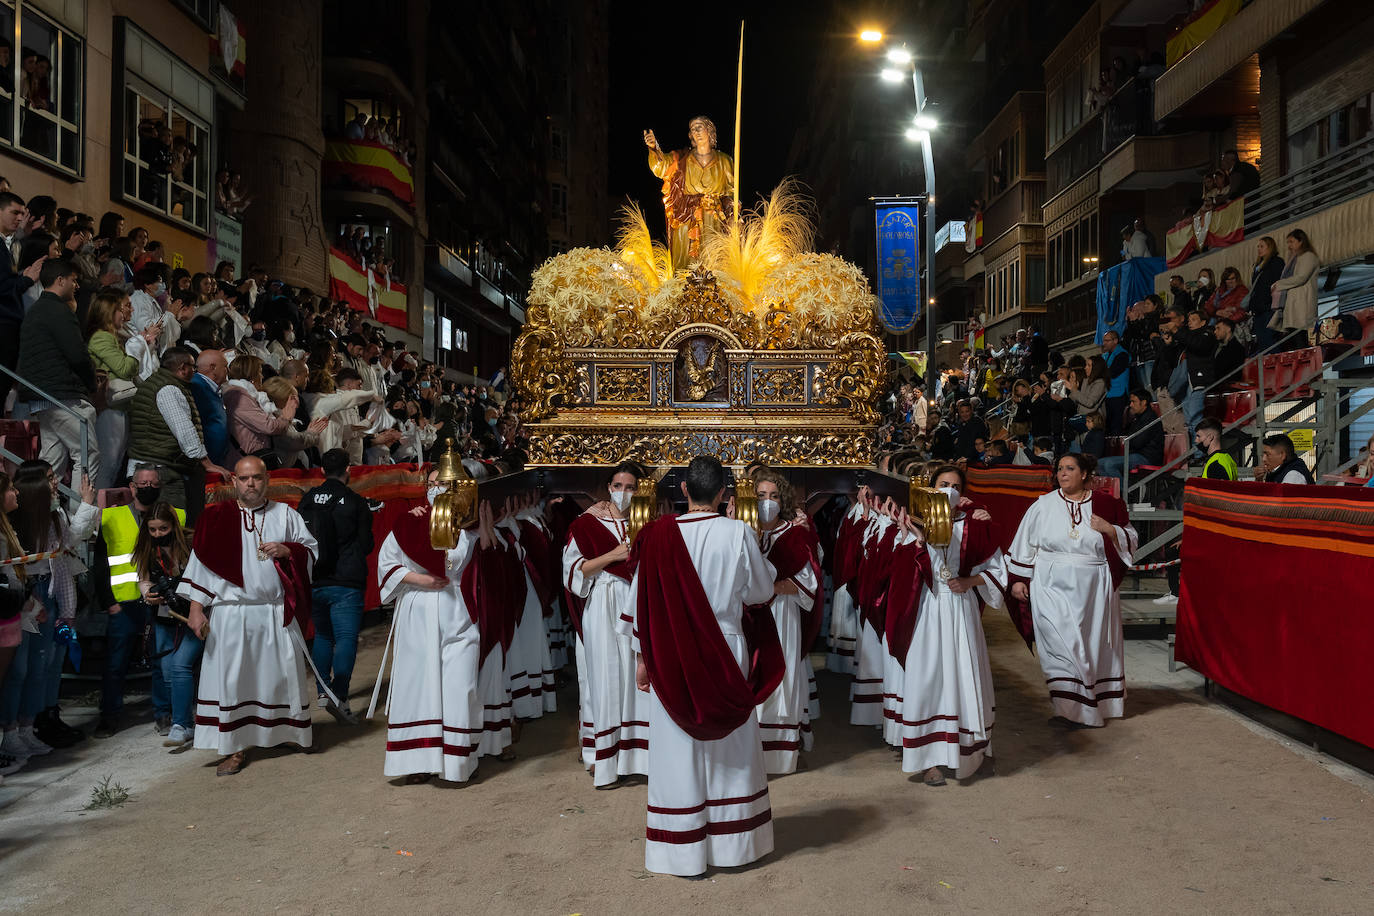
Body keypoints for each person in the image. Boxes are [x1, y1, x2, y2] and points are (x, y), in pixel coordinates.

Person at [626, 456, 780, 877]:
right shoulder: (739, 533)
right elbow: (761, 592)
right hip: (725, 647)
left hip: (671, 650)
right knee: (729, 746)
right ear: (725, 496)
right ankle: (733, 845)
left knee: (678, 747)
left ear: (683, 491)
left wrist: (642, 660)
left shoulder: (657, 535)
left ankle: (681, 851)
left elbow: (642, 602)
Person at [175, 457, 319, 776]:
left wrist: (288, 551)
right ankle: (234, 748)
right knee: (233, 682)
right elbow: (201, 568)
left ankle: (288, 732)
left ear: (267, 480)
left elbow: (311, 550)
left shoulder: (286, 514)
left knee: (281, 677)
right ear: (234, 482)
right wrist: (197, 609)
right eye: (243, 478)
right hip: (231, 613)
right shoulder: (216, 518)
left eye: (256, 478)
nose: (250, 484)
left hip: (275, 611)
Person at [369, 467, 492, 784]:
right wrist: (419, 578)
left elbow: (486, 557)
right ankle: (418, 760)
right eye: (432, 483)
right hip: (419, 605)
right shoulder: (409, 522)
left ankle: (457, 761)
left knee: (460, 683)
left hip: (458, 606)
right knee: (418, 684)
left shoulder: (469, 525)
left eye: (445, 483)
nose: (437, 488)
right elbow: (387, 565)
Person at [887, 466, 1003, 784]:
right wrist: (916, 539)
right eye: (942, 484)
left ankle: (971, 749)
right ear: (930, 489)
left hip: (960, 610)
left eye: (954, 485)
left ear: (962, 492)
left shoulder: (973, 524)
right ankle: (930, 759)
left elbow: (996, 569)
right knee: (929, 678)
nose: (948, 489)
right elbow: (897, 573)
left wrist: (970, 581)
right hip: (926, 609)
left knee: (965, 675)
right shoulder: (912, 521)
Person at [1006, 453, 1137, 727]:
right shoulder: (1043, 505)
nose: (1062, 474)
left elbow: (1131, 538)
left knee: (1088, 646)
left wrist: (1110, 529)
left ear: (1085, 474)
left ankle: (1085, 705)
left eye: (1069, 468)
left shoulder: (1106, 504)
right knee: (1058, 643)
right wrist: (1019, 579)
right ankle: (1069, 708)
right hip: (1049, 582)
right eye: (1059, 469)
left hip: (1093, 587)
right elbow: (1024, 542)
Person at [0, 463, 98, 762]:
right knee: (19, 670)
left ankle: (33, 724)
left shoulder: (54, 516)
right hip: (25, 596)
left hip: (49, 594)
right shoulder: (15, 523)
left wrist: (87, 506)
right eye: (51, 479)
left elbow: (67, 542)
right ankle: (11, 731)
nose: (56, 485)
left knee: (44, 665)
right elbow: (15, 573)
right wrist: (31, 602)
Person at [561, 462, 649, 788]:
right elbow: (574, 571)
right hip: (602, 603)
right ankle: (604, 757)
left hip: (635, 603)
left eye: (630, 487)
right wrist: (612, 556)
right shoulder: (586, 524)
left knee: (634, 677)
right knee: (605, 677)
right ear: (607, 487)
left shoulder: (645, 522)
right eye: (618, 486)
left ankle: (638, 757)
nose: (623, 493)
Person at [94, 465, 185, 737]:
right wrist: (108, 601)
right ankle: (109, 715)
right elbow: (100, 563)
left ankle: (163, 713)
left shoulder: (176, 516)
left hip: (161, 601)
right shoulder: (111, 517)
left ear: (160, 486)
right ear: (132, 487)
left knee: (161, 659)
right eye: (142, 483)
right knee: (116, 662)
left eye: (152, 483)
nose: (147, 488)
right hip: (124, 603)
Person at [750, 469, 821, 775]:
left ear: (783, 500)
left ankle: (781, 752)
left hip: (782, 614)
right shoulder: (742, 532)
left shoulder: (795, 535)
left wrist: (771, 588)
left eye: (774, 496)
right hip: (750, 617)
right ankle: (751, 752)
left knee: (784, 677)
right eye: (761, 496)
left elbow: (808, 583)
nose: (768, 502)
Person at [299, 449, 375, 723]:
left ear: (321, 470)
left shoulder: (306, 499)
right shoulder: (355, 502)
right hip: (347, 580)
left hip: (316, 578)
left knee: (322, 636)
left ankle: (322, 691)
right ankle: (338, 694)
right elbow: (366, 545)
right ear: (349, 470)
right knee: (344, 639)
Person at [16, 257, 101, 485]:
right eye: (74, 280)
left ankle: (38, 513)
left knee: (51, 461)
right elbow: (77, 355)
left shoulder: (36, 311)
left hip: (43, 396)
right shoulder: (57, 311)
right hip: (62, 396)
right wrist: (92, 384)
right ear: (60, 280)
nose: (77, 285)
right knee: (87, 454)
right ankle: (79, 516)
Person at [127, 347, 232, 520]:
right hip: (159, 469)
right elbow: (185, 431)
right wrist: (207, 463)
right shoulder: (169, 389)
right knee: (173, 524)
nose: (195, 371)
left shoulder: (160, 383)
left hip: (154, 465)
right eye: (192, 366)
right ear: (182, 368)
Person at [132, 499, 202, 748]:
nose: (158, 534)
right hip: (165, 615)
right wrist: (147, 592)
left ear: (173, 525)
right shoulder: (147, 547)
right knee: (168, 669)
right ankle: (181, 721)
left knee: (181, 666)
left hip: (195, 613)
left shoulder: (193, 541)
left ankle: (182, 723)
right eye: (152, 529)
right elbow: (143, 578)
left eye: (163, 529)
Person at [644, 116, 736, 270]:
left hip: (714, 220)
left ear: (709, 130)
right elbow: (661, 166)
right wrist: (654, 148)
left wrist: (733, 216)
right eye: (693, 129)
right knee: (686, 268)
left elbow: (732, 193)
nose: (696, 131)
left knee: (714, 265)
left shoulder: (724, 160)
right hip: (686, 218)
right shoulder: (681, 159)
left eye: (699, 127)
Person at [87, 288, 154, 490]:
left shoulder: (113, 336)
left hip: (120, 407)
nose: (125, 313)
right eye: (120, 309)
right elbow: (125, 369)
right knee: (109, 462)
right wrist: (137, 348)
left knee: (115, 464)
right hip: (109, 408)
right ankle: (98, 511)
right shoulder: (102, 337)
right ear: (110, 312)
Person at [222, 353, 298, 464]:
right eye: (259, 372)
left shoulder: (245, 395)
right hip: (247, 461)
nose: (262, 377)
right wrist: (286, 418)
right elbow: (268, 427)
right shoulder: (239, 397)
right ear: (251, 376)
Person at [1096, 390, 1164, 487]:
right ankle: (1113, 493)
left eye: (1134, 402)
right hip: (1136, 455)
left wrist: (1129, 442)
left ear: (1144, 402)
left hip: (1147, 457)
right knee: (1099, 463)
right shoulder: (1137, 418)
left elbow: (1137, 442)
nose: (1131, 405)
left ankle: (1125, 494)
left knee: (1109, 464)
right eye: (1130, 402)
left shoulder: (1151, 419)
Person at [1269, 229, 1320, 349]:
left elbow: (1301, 277)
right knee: (1294, 338)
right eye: (1288, 242)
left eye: (1291, 242)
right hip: (1294, 304)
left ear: (1301, 241)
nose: (1289, 245)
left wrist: (1279, 284)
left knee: (1300, 338)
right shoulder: (1294, 259)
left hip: (1302, 303)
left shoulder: (1309, 256)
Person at [1179, 310, 1217, 440]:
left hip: (1200, 382)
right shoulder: (1189, 337)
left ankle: (1199, 455)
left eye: (1193, 319)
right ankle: (1194, 454)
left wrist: (1179, 332)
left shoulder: (1208, 335)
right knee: (1189, 421)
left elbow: (1198, 345)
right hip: (1188, 383)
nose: (1190, 322)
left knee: (1195, 419)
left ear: (1203, 322)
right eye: (1189, 320)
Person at [190, 348, 231, 467]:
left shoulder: (211, 388)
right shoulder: (197, 387)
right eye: (225, 366)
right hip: (204, 463)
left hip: (216, 460)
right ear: (213, 367)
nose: (228, 370)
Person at [1246, 236, 1285, 353]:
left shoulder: (1276, 262)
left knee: (1271, 341)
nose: (1259, 249)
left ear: (1270, 247)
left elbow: (1277, 284)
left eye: (1262, 246)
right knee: (1262, 342)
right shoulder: (1257, 266)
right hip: (1258, 310)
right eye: (1258, 246)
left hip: (1269, 308)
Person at [1100, 331, 1131, 435]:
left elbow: (1112, 372)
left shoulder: (1122, 354)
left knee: (1117, 425)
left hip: (1118, 394)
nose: (1104, 343)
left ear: (1116, 341)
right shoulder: (1106, 355)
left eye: (1107, 341)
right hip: (1108, 394)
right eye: (1104, 341)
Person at [1213, 318, 1246, 383]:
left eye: (1218, 328)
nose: (1215, 331)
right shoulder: (1216, 346)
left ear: (1228, 329)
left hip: (1226, 385)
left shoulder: (1237, 348)